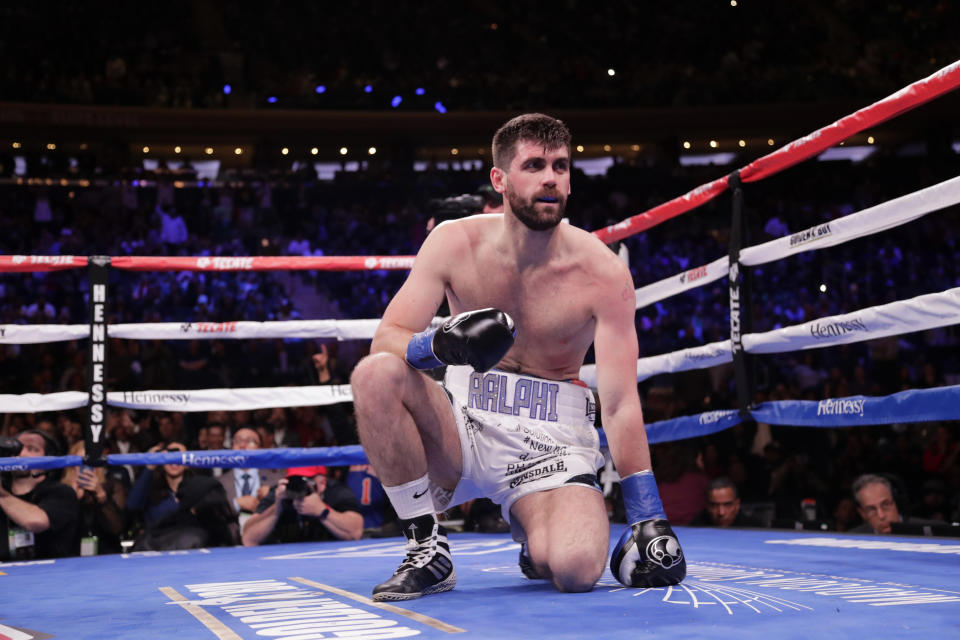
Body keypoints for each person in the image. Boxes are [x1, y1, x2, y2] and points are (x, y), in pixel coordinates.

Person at [350, 113, 685, 602]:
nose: (551, 178)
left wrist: (647, 515)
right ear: (500, 180)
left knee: (575, 570)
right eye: (534, 165)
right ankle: (428, 550)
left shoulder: (603, 273)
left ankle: (536, 531)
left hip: (551, 443)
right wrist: (438, 345)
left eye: (561, 166)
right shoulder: (454, 242)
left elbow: (619, 404)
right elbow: (388, 337)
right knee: (375, 373)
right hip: (461, 427)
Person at [0, 430, 79, 559]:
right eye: (17, 448)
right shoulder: (4, 487)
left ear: (47, 459)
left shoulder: (62, 492)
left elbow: (36, 521)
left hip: (49, 575)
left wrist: (2, 496)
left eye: (32, 449)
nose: (22, 454)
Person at [241, 466, 363, 546]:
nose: (298, 485)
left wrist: (322, 511)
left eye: (304, 480)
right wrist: (277, 507)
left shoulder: (336, 491)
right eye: (294, 479)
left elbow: (355, 531)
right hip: (286, 561)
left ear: (322, 483)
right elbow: (248, 539)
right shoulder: (281, 493)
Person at [61, 441, 130, 555]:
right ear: (72, 465)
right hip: (71, 555)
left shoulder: (112, 486)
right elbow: (59, 532)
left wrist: (101, 496)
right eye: (81, 462)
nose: (85, 467)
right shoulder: (61, 489)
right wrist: (73, 497)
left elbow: (118, 528)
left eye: (89, 462)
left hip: (106, 553)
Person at [217, 426, 283, 526]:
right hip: (229, 537)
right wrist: (235, 504)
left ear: (260, 448)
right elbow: (213, 514)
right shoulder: (219, 482)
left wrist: (272, 496)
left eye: (250, 441)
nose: (242, 445)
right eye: (237, 441)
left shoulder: (277, 478)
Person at [849, 473, 943, 534]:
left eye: (885, 505)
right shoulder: (852, 540)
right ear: (862, 514)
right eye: (872, 509)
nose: (881, 515)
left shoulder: (933, 531)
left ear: (895, 503)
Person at [689, 477, 763, 528]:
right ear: (707, 506)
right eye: (714, 505)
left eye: (727, 505)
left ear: (737, 505)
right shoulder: (696, 528)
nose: (721, 513)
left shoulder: (754, 529)